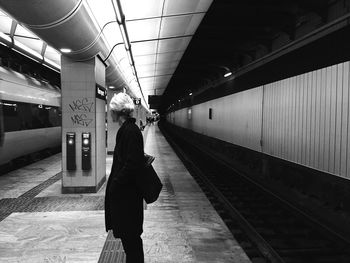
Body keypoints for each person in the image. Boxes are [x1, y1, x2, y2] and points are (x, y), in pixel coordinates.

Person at [105, 92, 144, 263]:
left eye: (111, 110)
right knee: (130, 241)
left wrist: (116, 183)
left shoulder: (130, 131)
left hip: (128, 197)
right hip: (127, 196)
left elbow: (132, 164)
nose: (110, 114)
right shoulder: (128, 130)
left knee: (132, 241)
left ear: (118, 111)